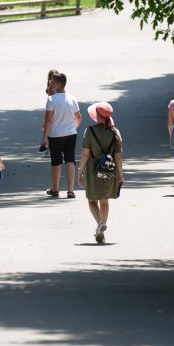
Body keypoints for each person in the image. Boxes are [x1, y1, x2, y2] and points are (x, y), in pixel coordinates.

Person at [77, 102, 123, 243]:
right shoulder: (115, 132)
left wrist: (79, 171)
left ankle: (99, 223)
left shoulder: (89, 131)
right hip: (109, 169)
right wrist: (120, 175)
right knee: (104, 200)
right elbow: (118, 157)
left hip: (92, 170)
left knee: (92, 200)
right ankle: (102, 224)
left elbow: (85, 153)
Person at [40, 71, 81, 198]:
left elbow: (48, 121)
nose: (50, 84)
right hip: (70, 134)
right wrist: (72, 128)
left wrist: (44, 139)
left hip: (55, 135)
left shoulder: (51, 100)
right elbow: (78, 117)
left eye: (52, 82)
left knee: (56, 161)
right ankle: (70, 190)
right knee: (70, 160)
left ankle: (55, 189)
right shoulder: (72, 98)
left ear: (58, 84)